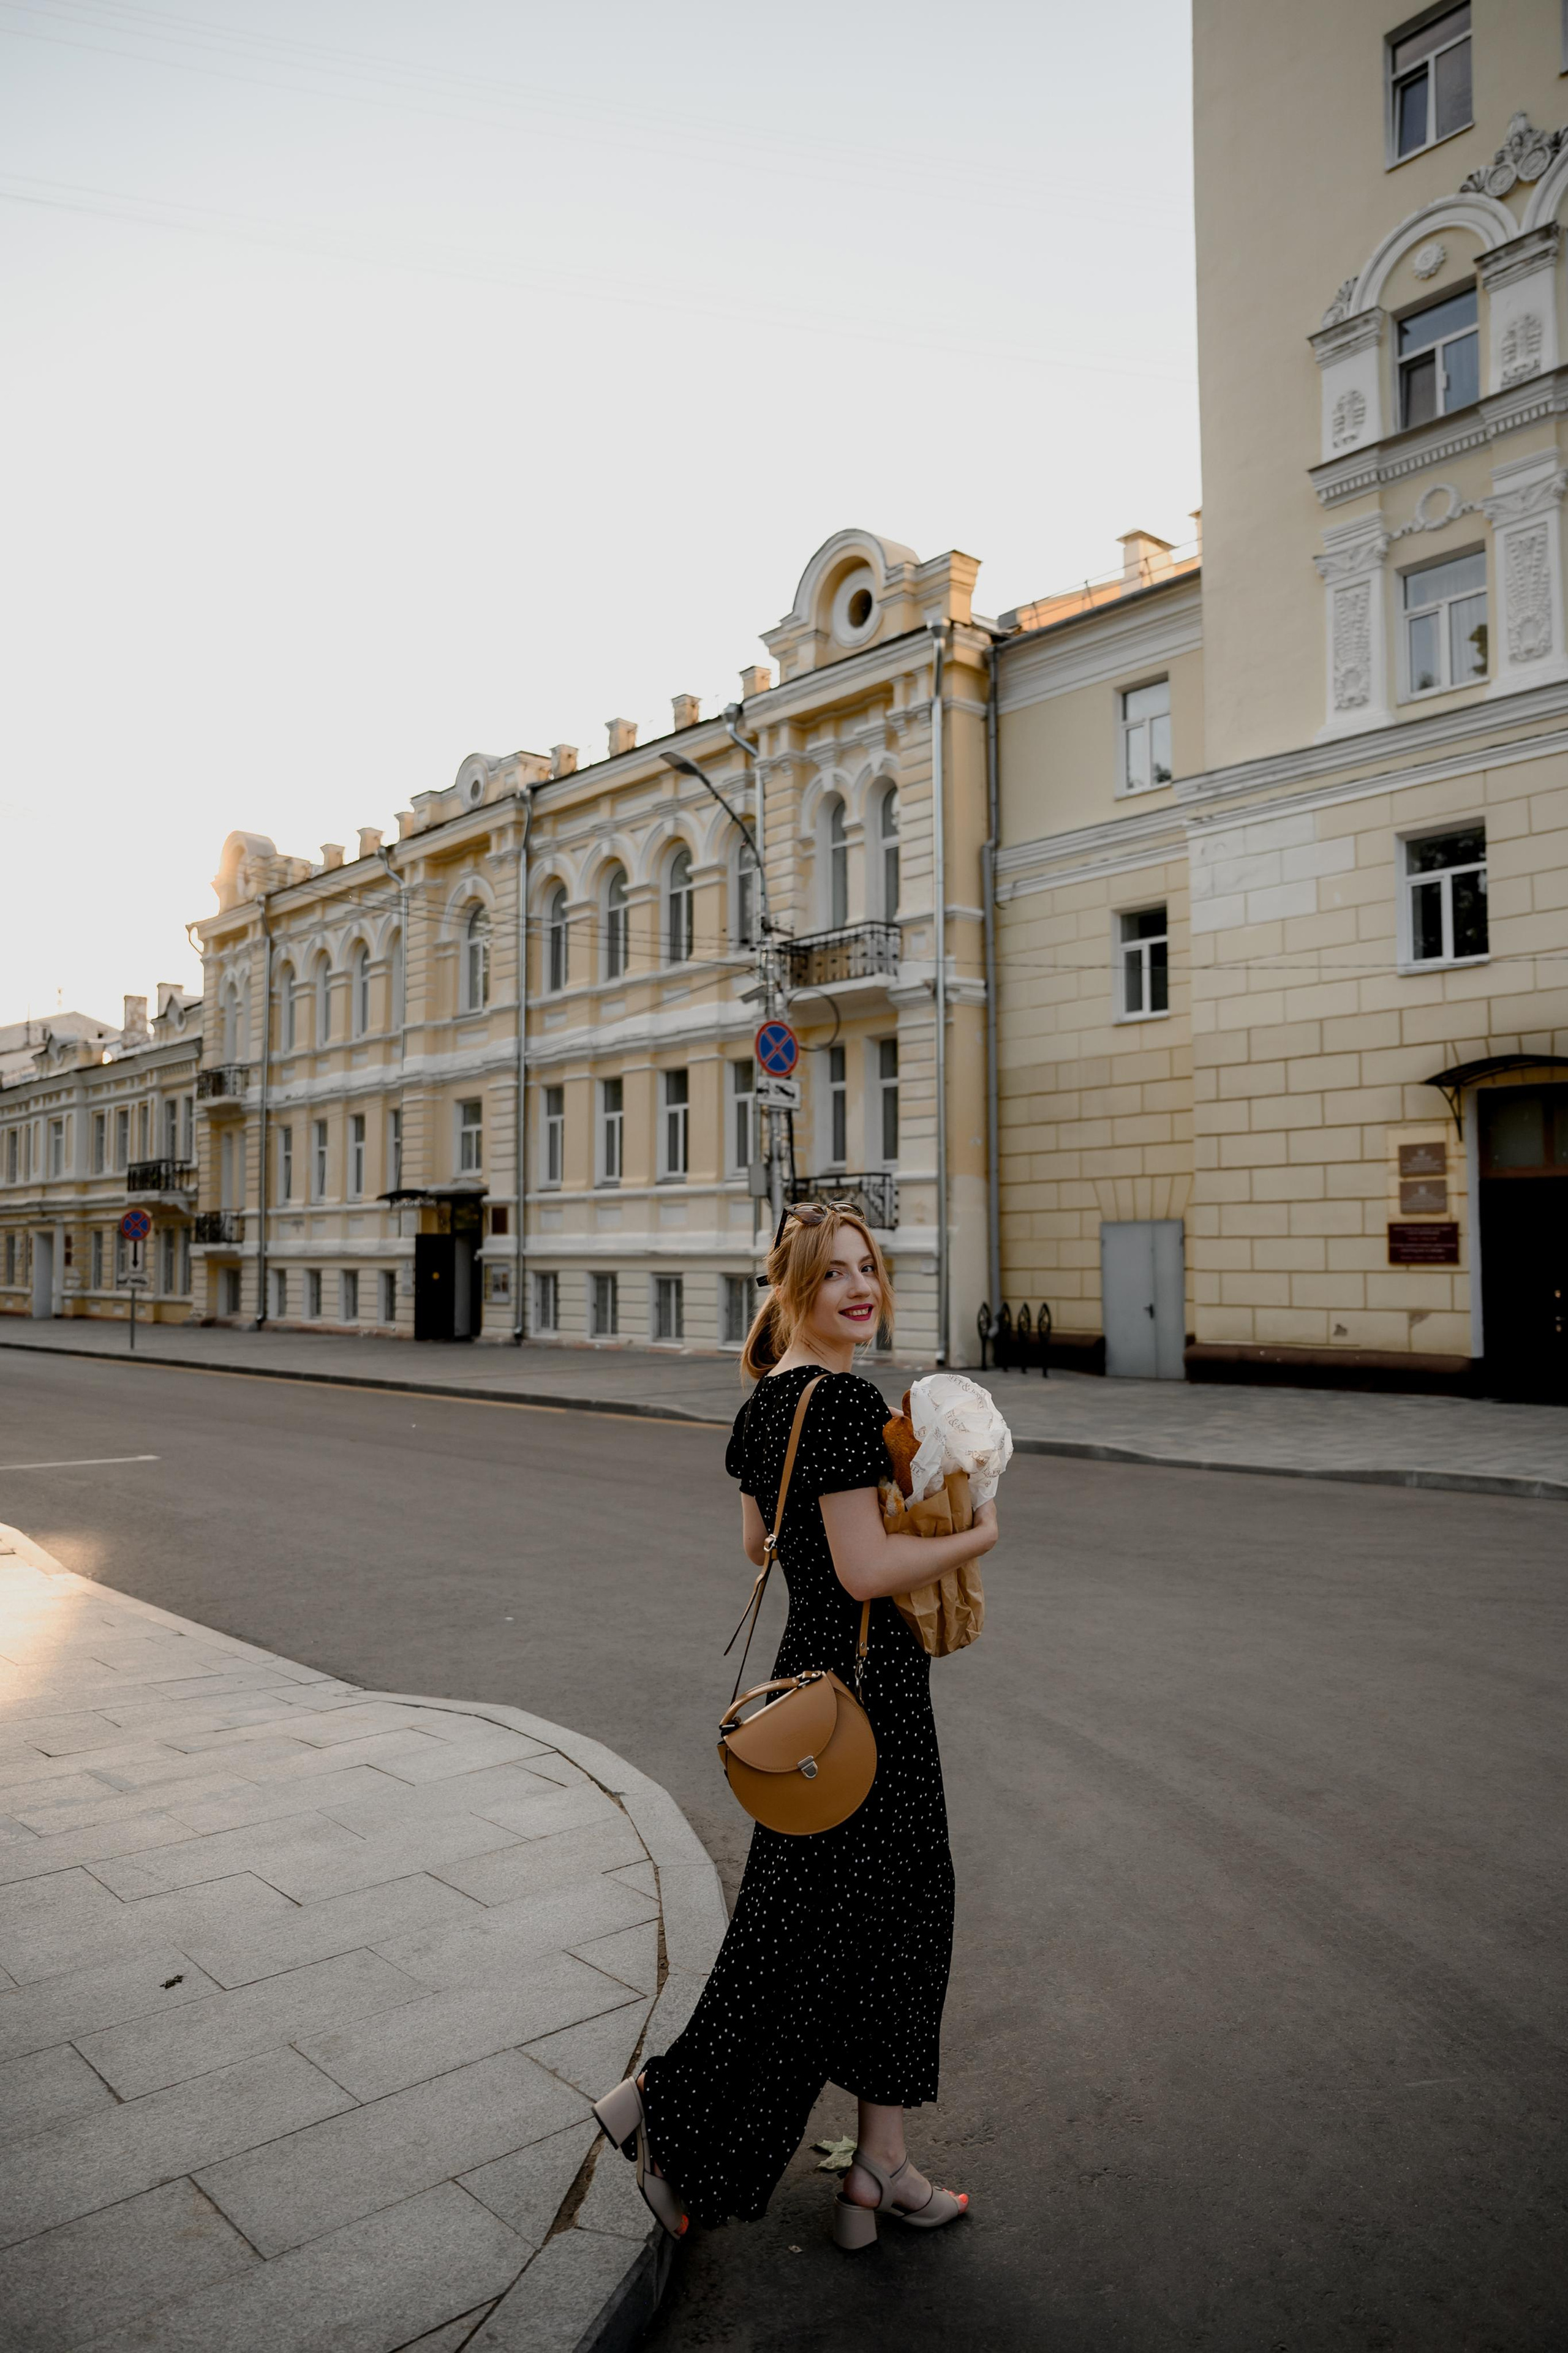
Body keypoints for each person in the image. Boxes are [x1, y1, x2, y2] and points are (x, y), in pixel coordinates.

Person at [592, 1202, 1000, 2248]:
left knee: (852, 1925)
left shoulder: (767, 1398)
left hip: (811, 1682)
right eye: (835, 1275)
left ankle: (881, 2166)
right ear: (794, 1288)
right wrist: (974, 1533)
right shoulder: (846, 1400)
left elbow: (757, 1546)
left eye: (870, 1268)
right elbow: (866, 1570)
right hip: (870, 1696)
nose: (861, 1288)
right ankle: (674, 2113)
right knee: (826, 1939)